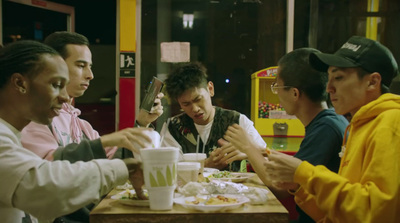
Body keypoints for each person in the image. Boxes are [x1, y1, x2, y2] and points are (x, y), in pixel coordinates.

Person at [0, 40, 150, 223]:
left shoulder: (13, 134)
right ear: (19, 83)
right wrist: (124, 167)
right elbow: (44, 187)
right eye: (55, 84)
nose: (64, 97)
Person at [263, 36, 400, 222]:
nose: (329, 88)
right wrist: (300, 186)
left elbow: (375, 212)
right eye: (329, 79)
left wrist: (305, 173)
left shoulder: (391, 123)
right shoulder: (357, 125)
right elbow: (338, 215)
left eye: (339, 78)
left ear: (372, 82)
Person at [223, 48, 348, 222]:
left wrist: (248, 147)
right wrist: (259, 151)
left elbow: (280, 187)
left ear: (295, 93)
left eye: (277, 86)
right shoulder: (331, 121)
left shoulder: (326, 129)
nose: (277, 94)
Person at [160, 61, 266, 171]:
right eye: (186, 104)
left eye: (198, 99)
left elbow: (266, 161)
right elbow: (168, 169)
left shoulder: (237, 121)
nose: (195, 109)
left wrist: (248, 151)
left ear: (210, 89)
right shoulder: (173, 127)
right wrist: (205, 164)